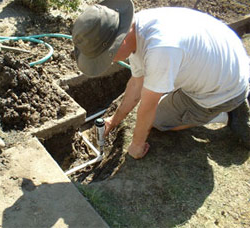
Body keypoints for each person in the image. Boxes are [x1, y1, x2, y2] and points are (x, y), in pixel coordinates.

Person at [72, 0, 250, 159]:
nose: (112, 61)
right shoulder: (136, 27)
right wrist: (114, 120)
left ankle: (226, 114)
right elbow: (136, 84)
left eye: (109, 56)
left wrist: (137, 144)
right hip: (225, 62)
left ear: (121, 41)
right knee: (157, 84)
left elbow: (149, 105)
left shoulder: (161, 49)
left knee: (158, 120)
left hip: (223, 88)